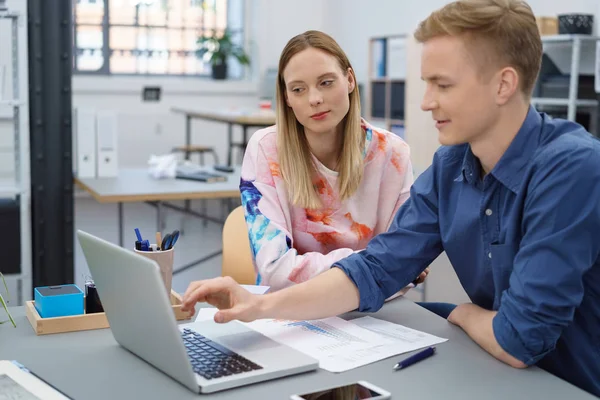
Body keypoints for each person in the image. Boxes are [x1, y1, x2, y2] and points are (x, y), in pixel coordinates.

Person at [182, 0, 600, 396]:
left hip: (568, 382)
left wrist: (461, 312)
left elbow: (520, 340)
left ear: (504, 84)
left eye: (443, 84)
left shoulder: (572, 168)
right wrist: (260, 306)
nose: (424, 101)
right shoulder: (451, 166)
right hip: (494, 372)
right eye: (427, 83)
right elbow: (377, 268)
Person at [239, 30, 427, 291]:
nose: (315, 99)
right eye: (298, 89)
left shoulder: (392, 153)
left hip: (371, 311)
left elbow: (403, 266)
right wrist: (374, 262)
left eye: (326, 82)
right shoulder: (267, 149)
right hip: (288, 310)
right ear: (287, 98)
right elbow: (274, 271)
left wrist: (394, 265)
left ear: (349, 80)